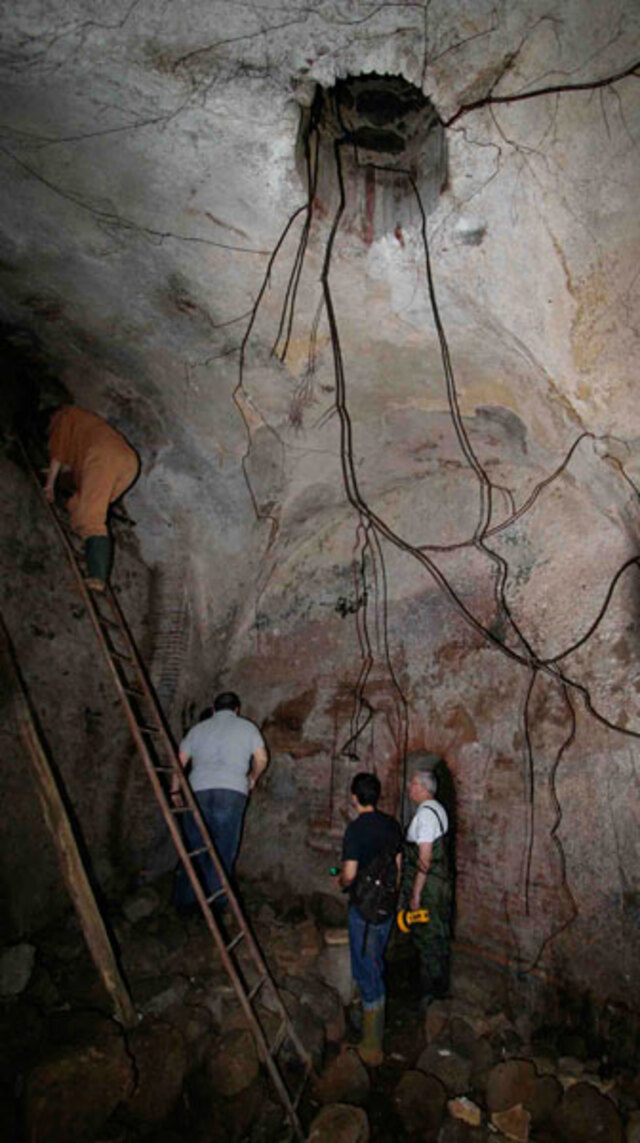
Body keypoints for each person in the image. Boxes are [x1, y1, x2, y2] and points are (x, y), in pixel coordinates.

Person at [172, 692, 268, 914]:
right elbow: (262, 759)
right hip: (232, 791)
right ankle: (217, 902)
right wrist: (252, 777)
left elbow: (179, 761)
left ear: (213, 709)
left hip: (198, 791)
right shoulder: (247, 728)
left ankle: (186, 902)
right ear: (237, 709)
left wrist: (174, 789)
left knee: (194, 847)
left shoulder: (198, 729)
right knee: (223, 849)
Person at [336, 771, 403, 1066]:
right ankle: (365, 1017)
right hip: (386, 908)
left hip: (364, 910)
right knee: (374, 961)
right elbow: (398, 870)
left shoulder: (356, 830)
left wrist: (340, 882)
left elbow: (349, 875)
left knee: (367, 970)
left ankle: (372, 1045)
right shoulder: (392, 825)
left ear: (354, 797)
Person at [42, 404, 139, 591]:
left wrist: (49, 485)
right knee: (80, 505)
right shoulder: (83, 428)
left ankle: (97, 577)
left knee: (90, 517)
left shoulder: (65, 415)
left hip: (104, 457)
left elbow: (57, 456)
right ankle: (93, 551)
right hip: (127, 463)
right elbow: (71, 466)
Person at [402, 767, 452, 1010]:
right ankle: (438, 986)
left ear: (423, 788)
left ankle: (430, 994)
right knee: (438, 930)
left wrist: (416, 893)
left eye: (413, 785)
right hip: (440, 881)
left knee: (428, 933)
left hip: (430, 885)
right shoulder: (437, 809)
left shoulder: (426, 816)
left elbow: (425, 858)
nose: (409, 788)